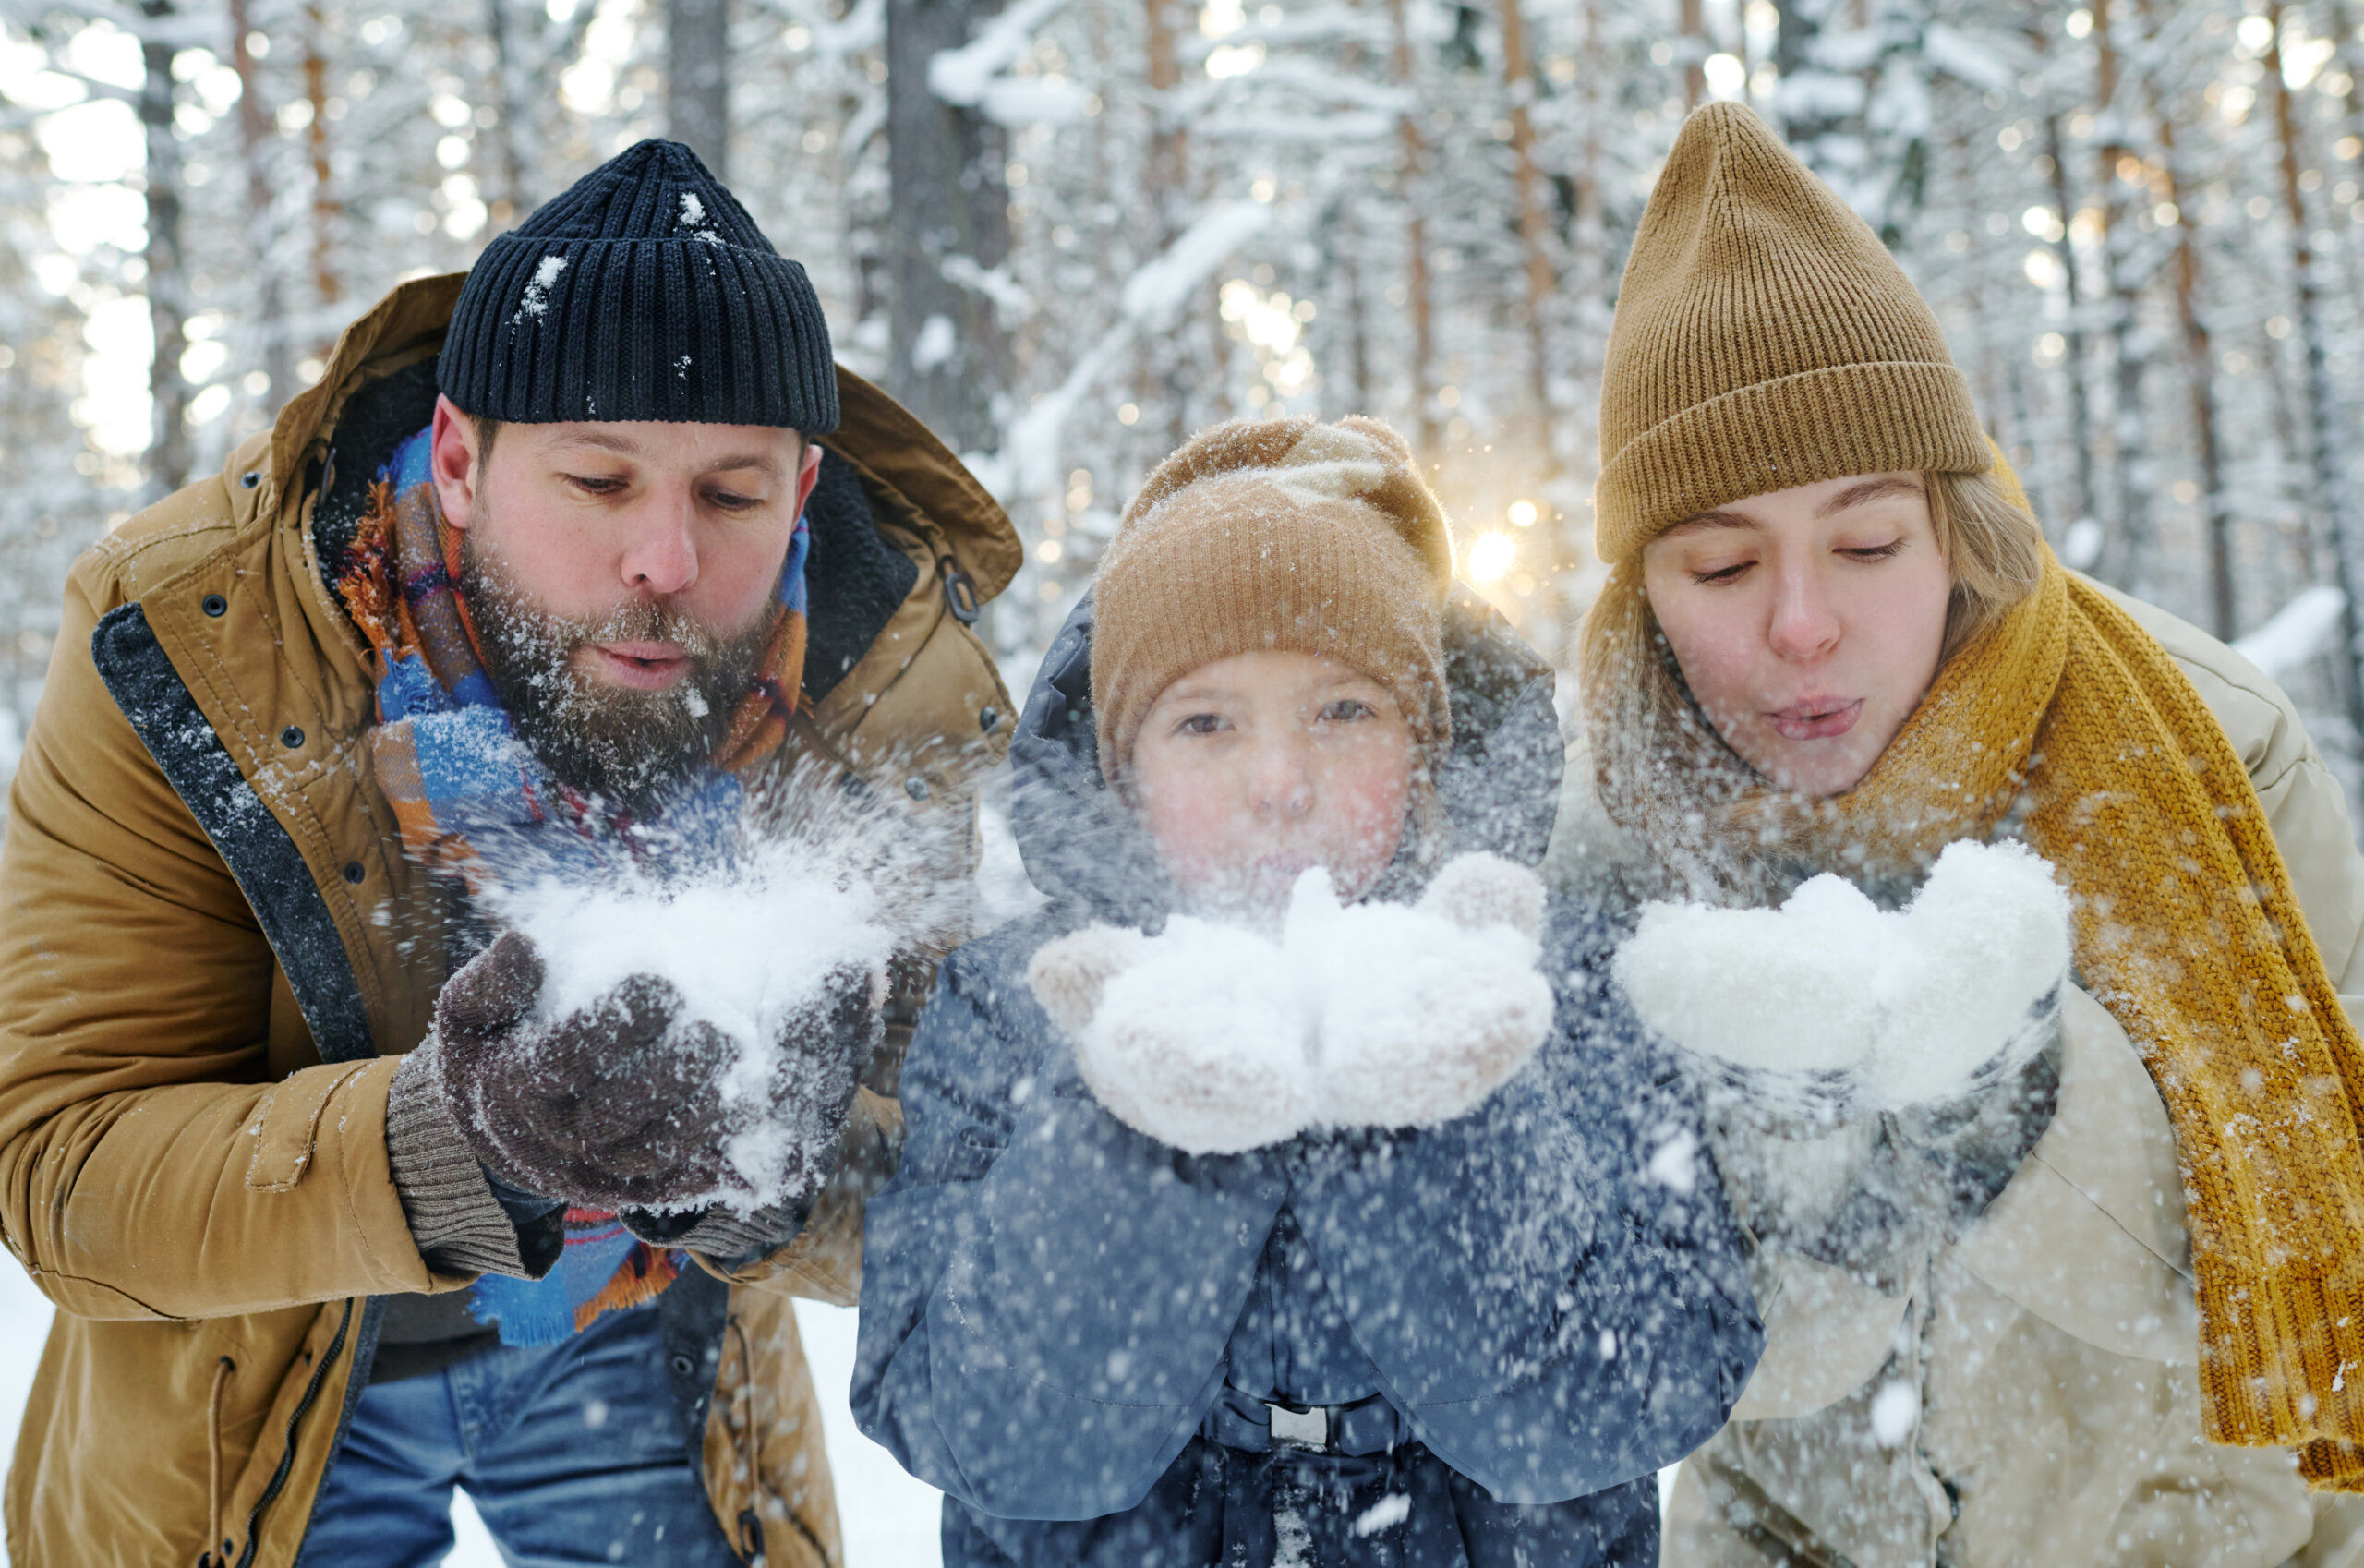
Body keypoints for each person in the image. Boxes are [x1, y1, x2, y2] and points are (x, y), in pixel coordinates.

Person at [0, 139, 1019, 1567]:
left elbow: (960, 1190)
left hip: (653, 1338)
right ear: (463, 461)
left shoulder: (877, 679)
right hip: (266, 1359)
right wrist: (454, 1140)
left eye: (730, 495)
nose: (664, 558)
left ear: (801, 495)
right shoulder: (187, 637)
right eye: (599, 479)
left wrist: (778, 1163)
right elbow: (63, 1166)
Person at [1552, 100, 2364, 1566]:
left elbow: (2321, 1226)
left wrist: (2025, 1101)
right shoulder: (1613, 830)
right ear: (1646, 598)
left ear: (1956, 534)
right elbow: (1638, 1365)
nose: (1804, 624)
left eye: (1867, 542)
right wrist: (1799, 1162)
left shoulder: (2213, 755)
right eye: (1722, 563)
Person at [851, 416, 1764, 1566]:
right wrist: (1138, 1132)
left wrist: (1441, 1117)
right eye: (1205, 722)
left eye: (1343, 711)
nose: (1280, 781)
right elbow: (982, 1432)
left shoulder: (1554, 982)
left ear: (1423, 747)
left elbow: (1641, 1394)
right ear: (1124, 774)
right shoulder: (1016, 1008)